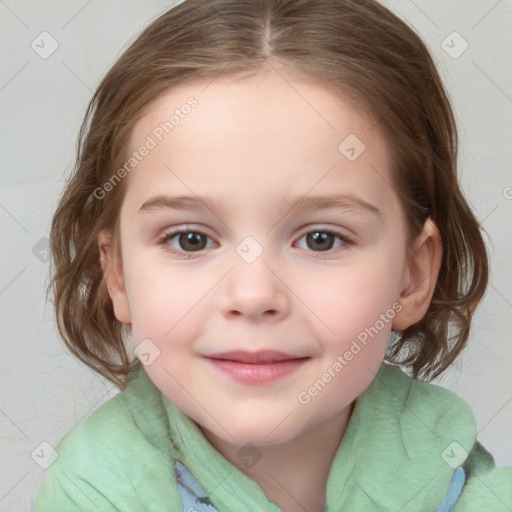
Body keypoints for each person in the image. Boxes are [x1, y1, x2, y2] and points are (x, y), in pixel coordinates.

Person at [32, 0, 512, 510]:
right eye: (190, 239)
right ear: (119, 277)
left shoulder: (467, 483)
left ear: (411, 278)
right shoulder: (91, 494)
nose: (254, 295)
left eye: (321, 239)